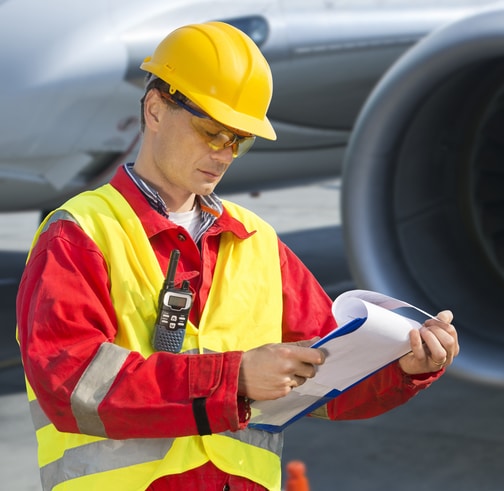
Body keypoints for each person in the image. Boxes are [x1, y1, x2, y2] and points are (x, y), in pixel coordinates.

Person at [16, 21, 459, 491]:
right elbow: (71, 387)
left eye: (239, 140)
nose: (225, 154)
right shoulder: (78, 235)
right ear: (155, 109)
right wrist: (235, 378)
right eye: (211, 132)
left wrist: (403, 369)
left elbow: (326, 383)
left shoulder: (256, 241)